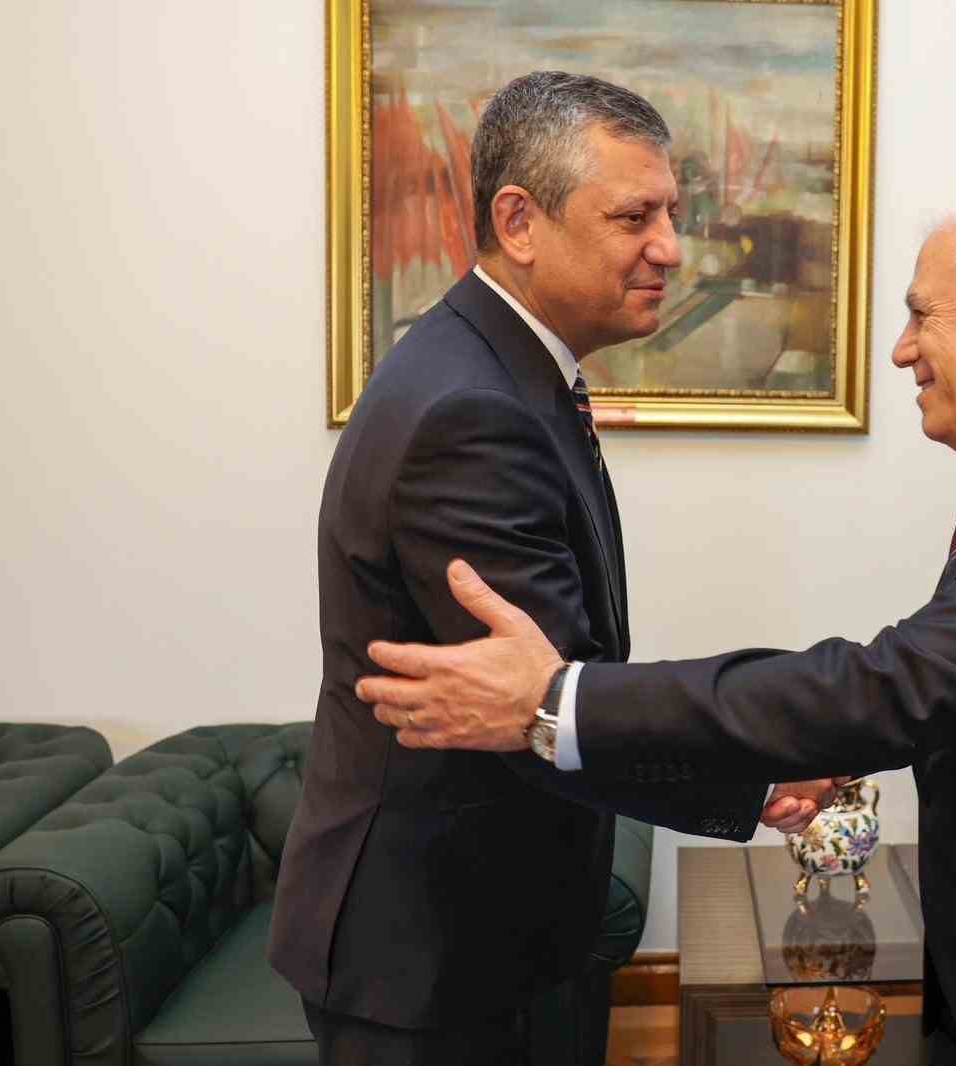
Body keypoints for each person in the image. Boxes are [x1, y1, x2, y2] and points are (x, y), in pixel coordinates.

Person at [356, 190, 956, 1066]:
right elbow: (940, 692)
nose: (901, 350)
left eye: (921, 315)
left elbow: (896, 687)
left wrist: (561, 700)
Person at [268, 72, 831, 1066]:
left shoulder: (497, 371)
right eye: (634, 217)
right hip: (433, 955)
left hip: (487, 927)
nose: (671, 246)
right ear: (519, 222)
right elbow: (540, 704)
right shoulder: (470, 411)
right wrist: (756, 775)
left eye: (671, 213)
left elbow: (555, 689)